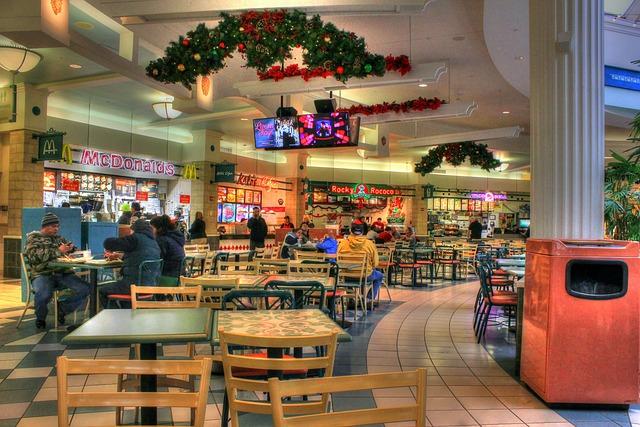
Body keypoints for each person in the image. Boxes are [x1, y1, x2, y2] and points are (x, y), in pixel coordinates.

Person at [23, 213, 90, 329]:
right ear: (45, 226)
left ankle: (62, 309)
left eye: (57, 226)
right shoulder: (33, 239)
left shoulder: (58, 239)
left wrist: (72, 250)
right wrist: (59, 251)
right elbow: (34, 257)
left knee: (86, 288)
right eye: (54, 226)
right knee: (44, 294)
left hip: (63, 273)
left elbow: (71, 248)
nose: (56, 229)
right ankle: (40, 317)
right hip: (43, 274)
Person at [99, 220, 161, 307]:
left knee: (102, 290)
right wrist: (120, 255)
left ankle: (116, 318)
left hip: (133, 285)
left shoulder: (135, 238)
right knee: (124, 297)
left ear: (134, 229)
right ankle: (127, 317)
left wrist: (107, 244)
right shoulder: (154, 242)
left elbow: (109, 243)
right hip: (151, 285)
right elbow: (140, 256)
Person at [338, 222, 383, 301]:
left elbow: (339, 259)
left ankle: (351, 299)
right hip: (365, 276)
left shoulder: (342, 243)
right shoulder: (369, 244)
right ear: (362, 232)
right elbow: (375, 263)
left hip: (347, 276)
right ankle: (369, 298)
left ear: (351, 231)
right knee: (380, 276)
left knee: (348, 271)